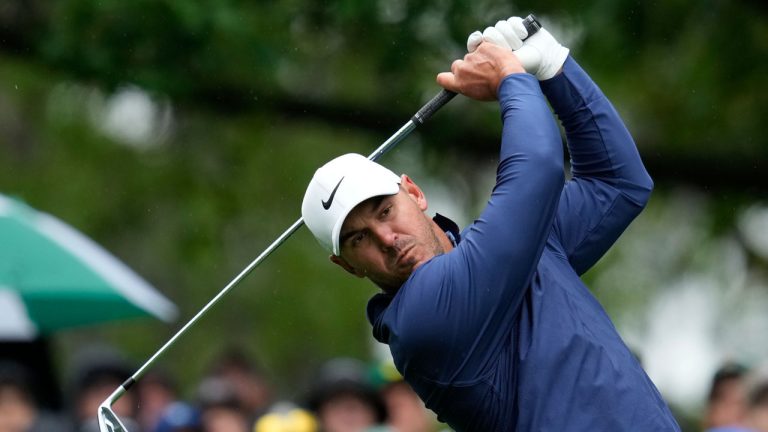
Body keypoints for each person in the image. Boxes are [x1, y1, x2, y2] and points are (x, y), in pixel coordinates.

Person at [300, 14, 681, 431]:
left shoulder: (520, 247)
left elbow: (619, 183)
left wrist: (555, 67)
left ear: (413, 191)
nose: (387, 238)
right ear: (348, 266)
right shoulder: (421, 321)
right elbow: (538, 167)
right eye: (359, 238)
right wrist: (511, 78)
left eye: (385, 211)